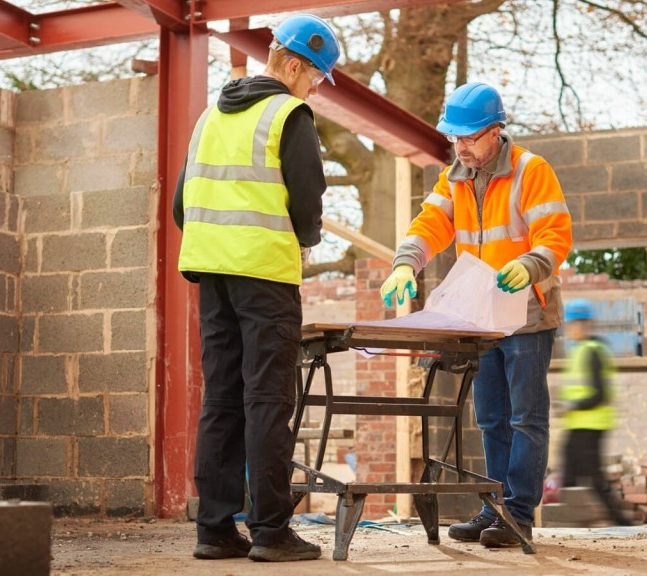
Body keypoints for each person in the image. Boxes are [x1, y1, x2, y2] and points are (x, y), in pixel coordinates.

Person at [173, 13, 341, 563]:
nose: (315, 86)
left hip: (211, 274)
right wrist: (305, 239)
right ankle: (270, 530)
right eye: (315, 74)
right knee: (268, 397)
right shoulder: (288, 114)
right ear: (292, 64)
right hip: (264, 276)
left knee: (221, 397)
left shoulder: (207, 120)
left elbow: (181, 207)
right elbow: (307, 197)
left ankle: (216, 529)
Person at [379, 82, 572, 547]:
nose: (460, 146)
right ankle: (494, 507)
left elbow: (556, 233)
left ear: (495, 131)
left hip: (528, 315)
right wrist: (406, 263)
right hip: (482, 320)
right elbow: (430, 225)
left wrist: (529, 266)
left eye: (469, 137)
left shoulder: (531, 170)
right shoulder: (455, 177)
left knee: (526, 417)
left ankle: (519, 514)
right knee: (490, 418)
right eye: (455, 138)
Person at [559, 299, 633, 526]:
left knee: (593, 476)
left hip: (591, 424)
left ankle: (622, 523)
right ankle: (569, 521)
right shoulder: (581, 350)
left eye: (574, 324)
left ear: (586, 324)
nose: (570, 329)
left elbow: (600, 393)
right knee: (570, 471)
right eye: (569, 324)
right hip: (579, 424)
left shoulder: (592, 351)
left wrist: (573, 406)